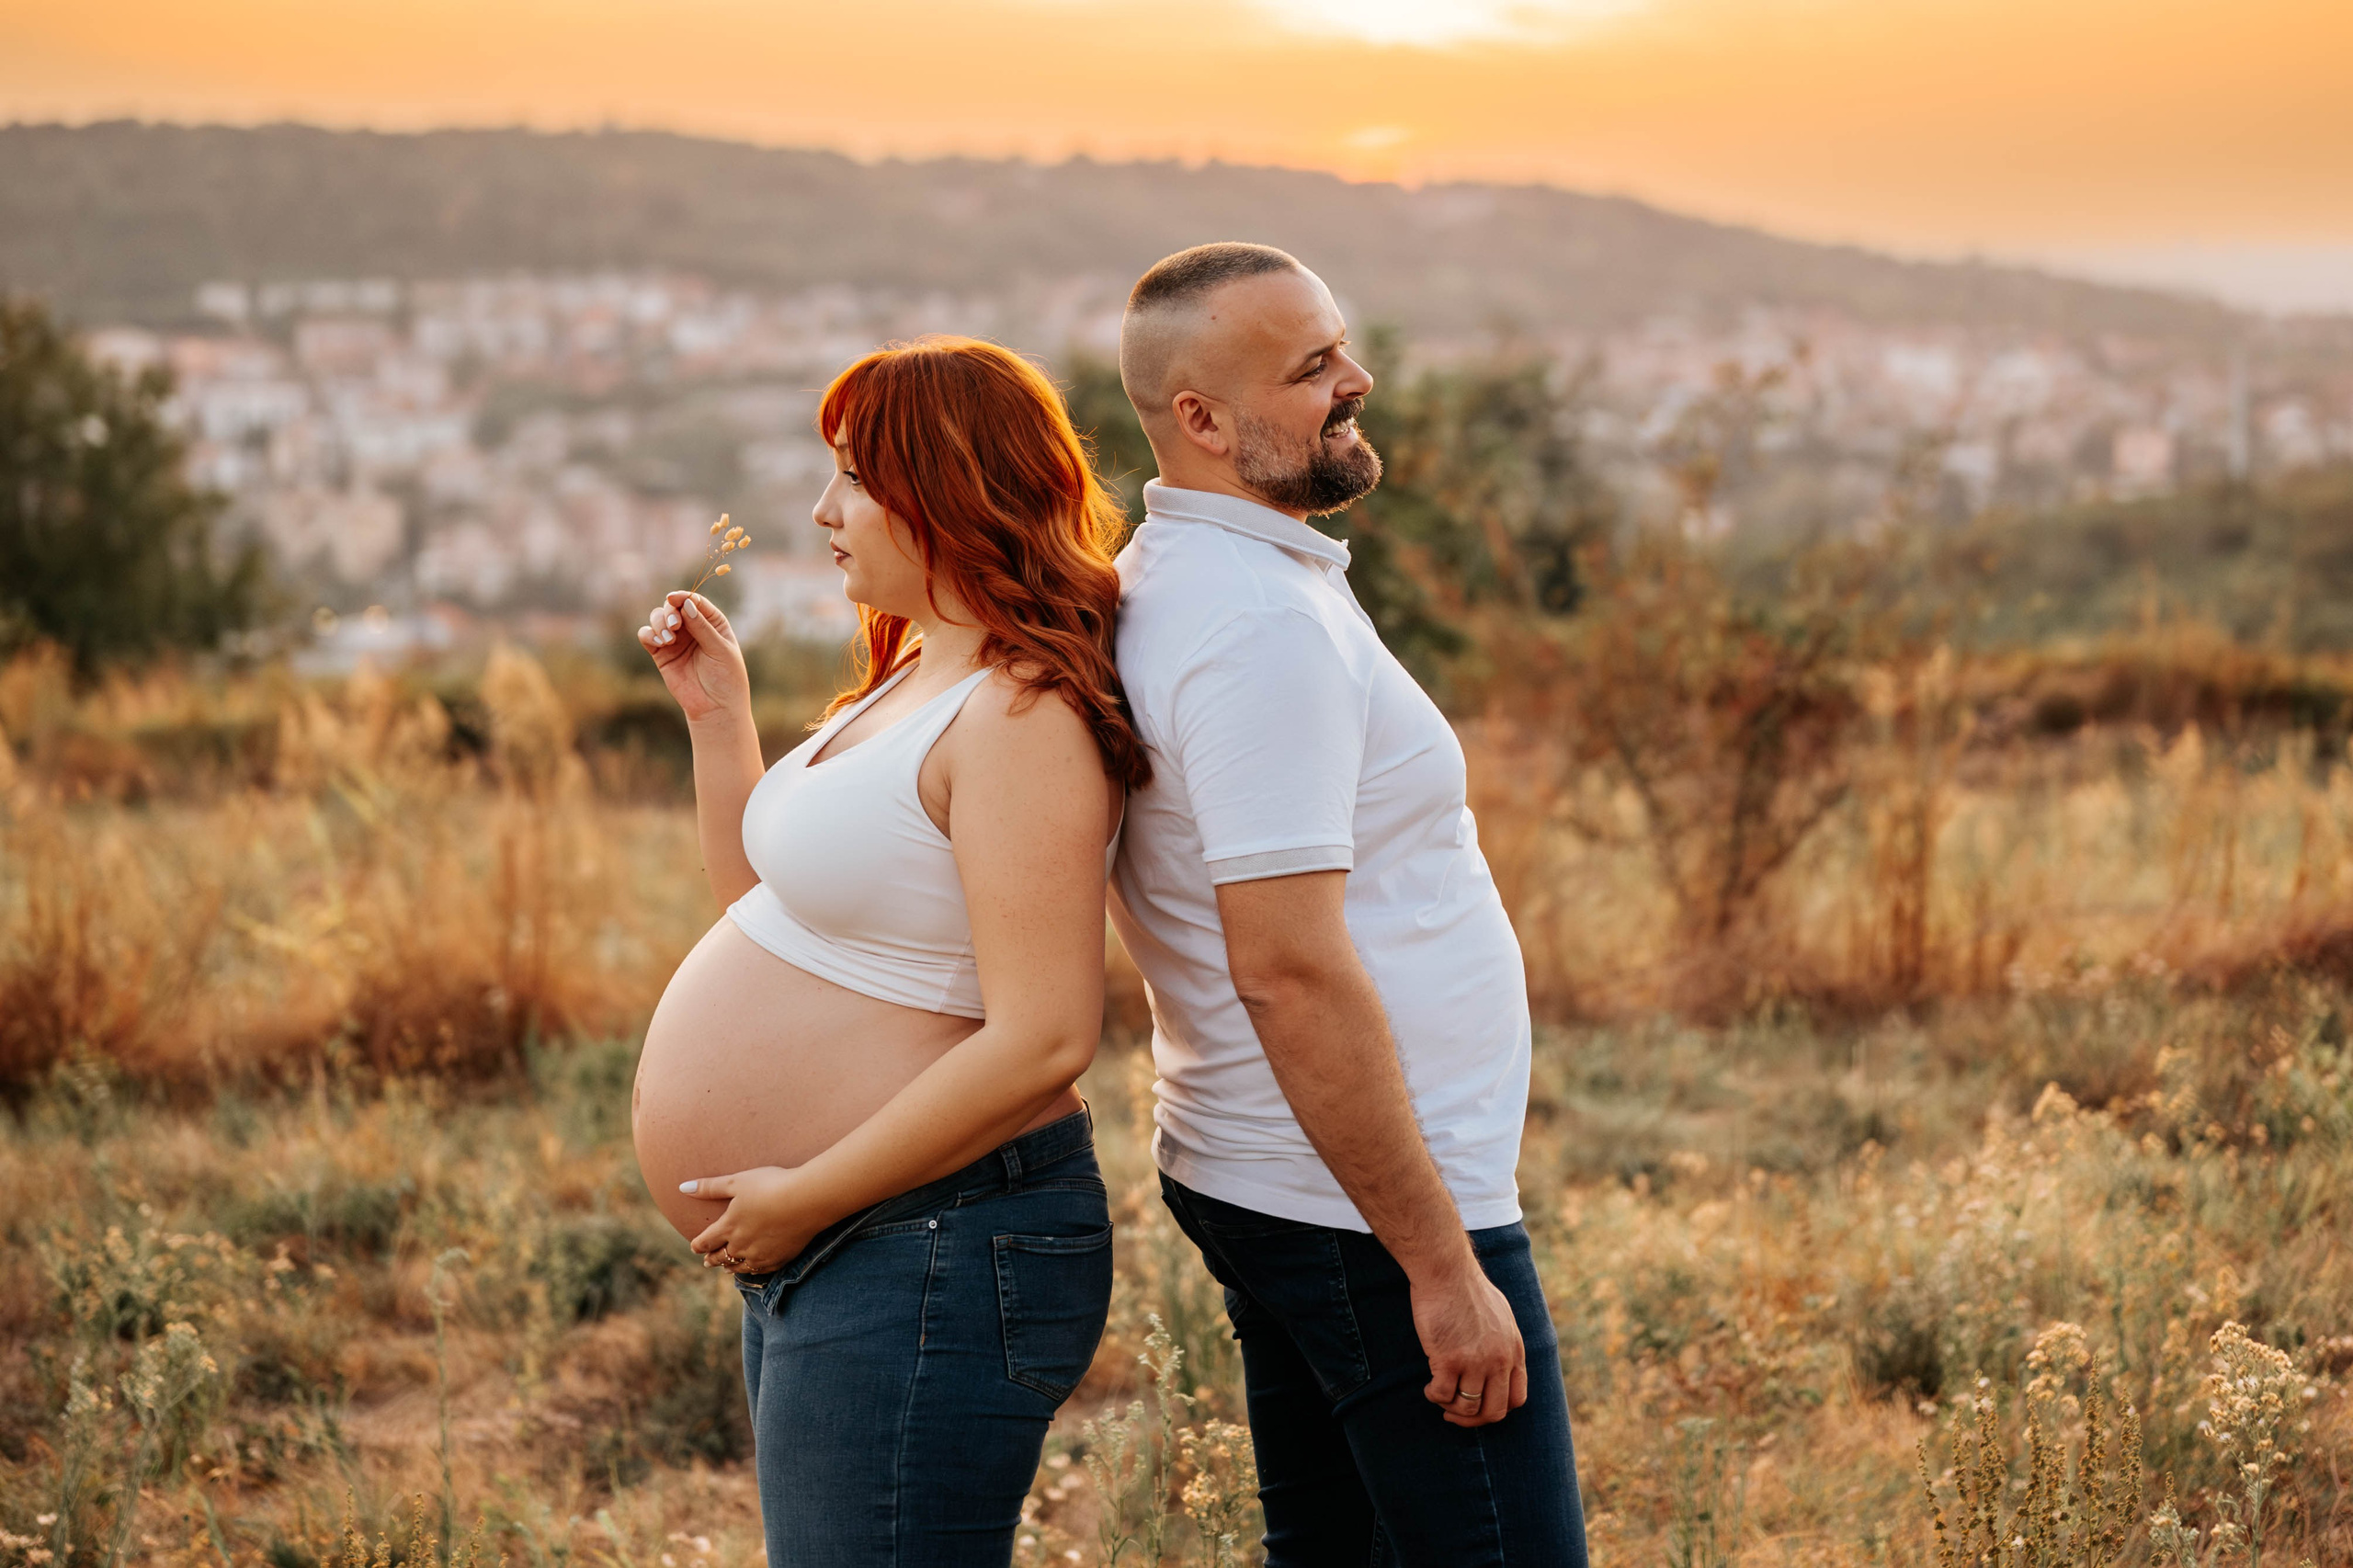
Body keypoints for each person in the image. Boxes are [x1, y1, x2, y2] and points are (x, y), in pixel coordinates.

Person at [628, 335, 1146, 1565]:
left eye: (855, 478)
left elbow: (1047, 1035)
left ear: (948, 486)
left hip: (929, 1240)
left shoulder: (1022, 714)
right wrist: (720, 721)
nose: (822, 511)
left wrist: (808, 1192)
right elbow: (770, 915)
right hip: (857, 1236)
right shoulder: (912, 672)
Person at [1108, 244, 1590, 1566]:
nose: (1357, 381)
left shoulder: (1191, 577)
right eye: (1312, 367)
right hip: (1362, 1206)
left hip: (1285, 1176)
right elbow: (1288, 968)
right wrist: (1439, 1265)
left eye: (1343, 348)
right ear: (1200, 419)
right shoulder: (1254, 626)